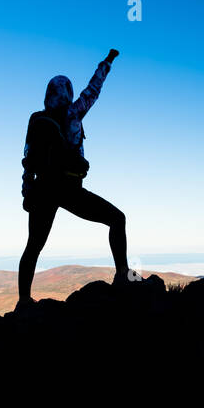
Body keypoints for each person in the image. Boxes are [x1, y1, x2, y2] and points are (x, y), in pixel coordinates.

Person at [17, 49, 127, 306]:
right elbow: (93, 90)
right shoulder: (73, 113)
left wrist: (27, 192)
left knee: (33, 246)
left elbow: (26, 158)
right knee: (117, 219)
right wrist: (107, 62)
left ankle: (23, 301)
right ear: (67, 92)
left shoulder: (37, 119)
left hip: (43, 189)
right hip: (69, 189)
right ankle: (122, 275)